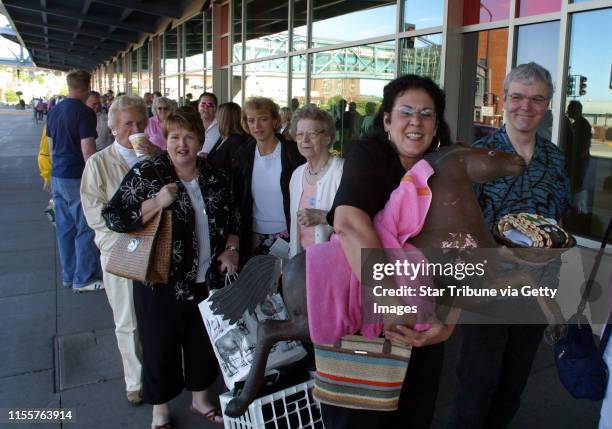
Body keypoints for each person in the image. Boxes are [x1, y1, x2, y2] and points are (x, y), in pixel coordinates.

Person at [448, 62, 571, 429]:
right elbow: (459, 228)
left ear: (547, 105)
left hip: (536, 289)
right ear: (503, 99)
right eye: (517, 96)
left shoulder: (556, 159)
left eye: (536, 99)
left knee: (511, 388)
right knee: (474, 388)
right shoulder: (477, 156)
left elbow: (558, 223)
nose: (525, 106)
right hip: (489, 286)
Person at [326, 74, 453, 429]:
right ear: (386, 120)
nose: (416, 121)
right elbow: (348, 223)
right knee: (356, 420)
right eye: (406, 111)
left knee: (414, 417)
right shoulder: (369, 156)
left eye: (427, 113)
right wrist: (389, 302)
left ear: (436, 125)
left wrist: (449, 325)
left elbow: (464, 250)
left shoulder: (443, 172)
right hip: (364, 318)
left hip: (424, 326)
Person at [102, 111, 240, 428]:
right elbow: (115, 216)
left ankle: (200, 399)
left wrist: (231, 248)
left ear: (200, 141)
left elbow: (234, 215)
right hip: (160, 282)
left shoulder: (214, 175)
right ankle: (160, 408)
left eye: (189, 137)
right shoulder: (149, 172)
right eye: (175, 137)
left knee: (202, 342)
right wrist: (156, 203)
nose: (182, 144)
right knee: (159, 345)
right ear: (165, 140)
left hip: (208, 279)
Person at [80, 95, 159, 405]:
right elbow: (94, 214)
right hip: (120, 253)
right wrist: (131, 232)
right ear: (113, 128)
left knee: (159, 316)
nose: (135, 128)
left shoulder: (155, 157)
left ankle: (162, 370)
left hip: (159, 250)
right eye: (128, 124)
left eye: (141, 122)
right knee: (128, 320)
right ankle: (135, 380)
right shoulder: (99, 163)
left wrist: (157, 159)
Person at [46, 69, 103, 292]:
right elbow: (88, 151)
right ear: (87, 86)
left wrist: (52, 172)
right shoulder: (84, 113)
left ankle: (69, 275)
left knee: (64, 228)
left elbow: (50, 146)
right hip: (77, 176)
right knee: (86, 226)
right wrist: (96, 180)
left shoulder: (55, 110)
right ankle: (84, 277)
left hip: (58, 174)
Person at [232, 97, 305, 265]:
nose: (257, 126)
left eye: (263, 119)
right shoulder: (242, 155)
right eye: (251, 120)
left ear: (274, 121)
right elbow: (236, 197)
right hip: (252, 235)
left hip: (288, 233)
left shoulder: (292, 153)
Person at [288, 106, 343, 258]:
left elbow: (358, 222)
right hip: (301, 261)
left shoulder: (341, 172)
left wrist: (322, 217)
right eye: (299, 134)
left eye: (312, 134)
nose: (304, 140)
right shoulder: (297, 175)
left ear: (327, 137)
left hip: (333, 262)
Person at [206, 102, 246, 173]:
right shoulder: (224, 136)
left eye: (218, 115)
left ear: (224, 119)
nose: (216, 118)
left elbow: (234, 170)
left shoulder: (236, 141)